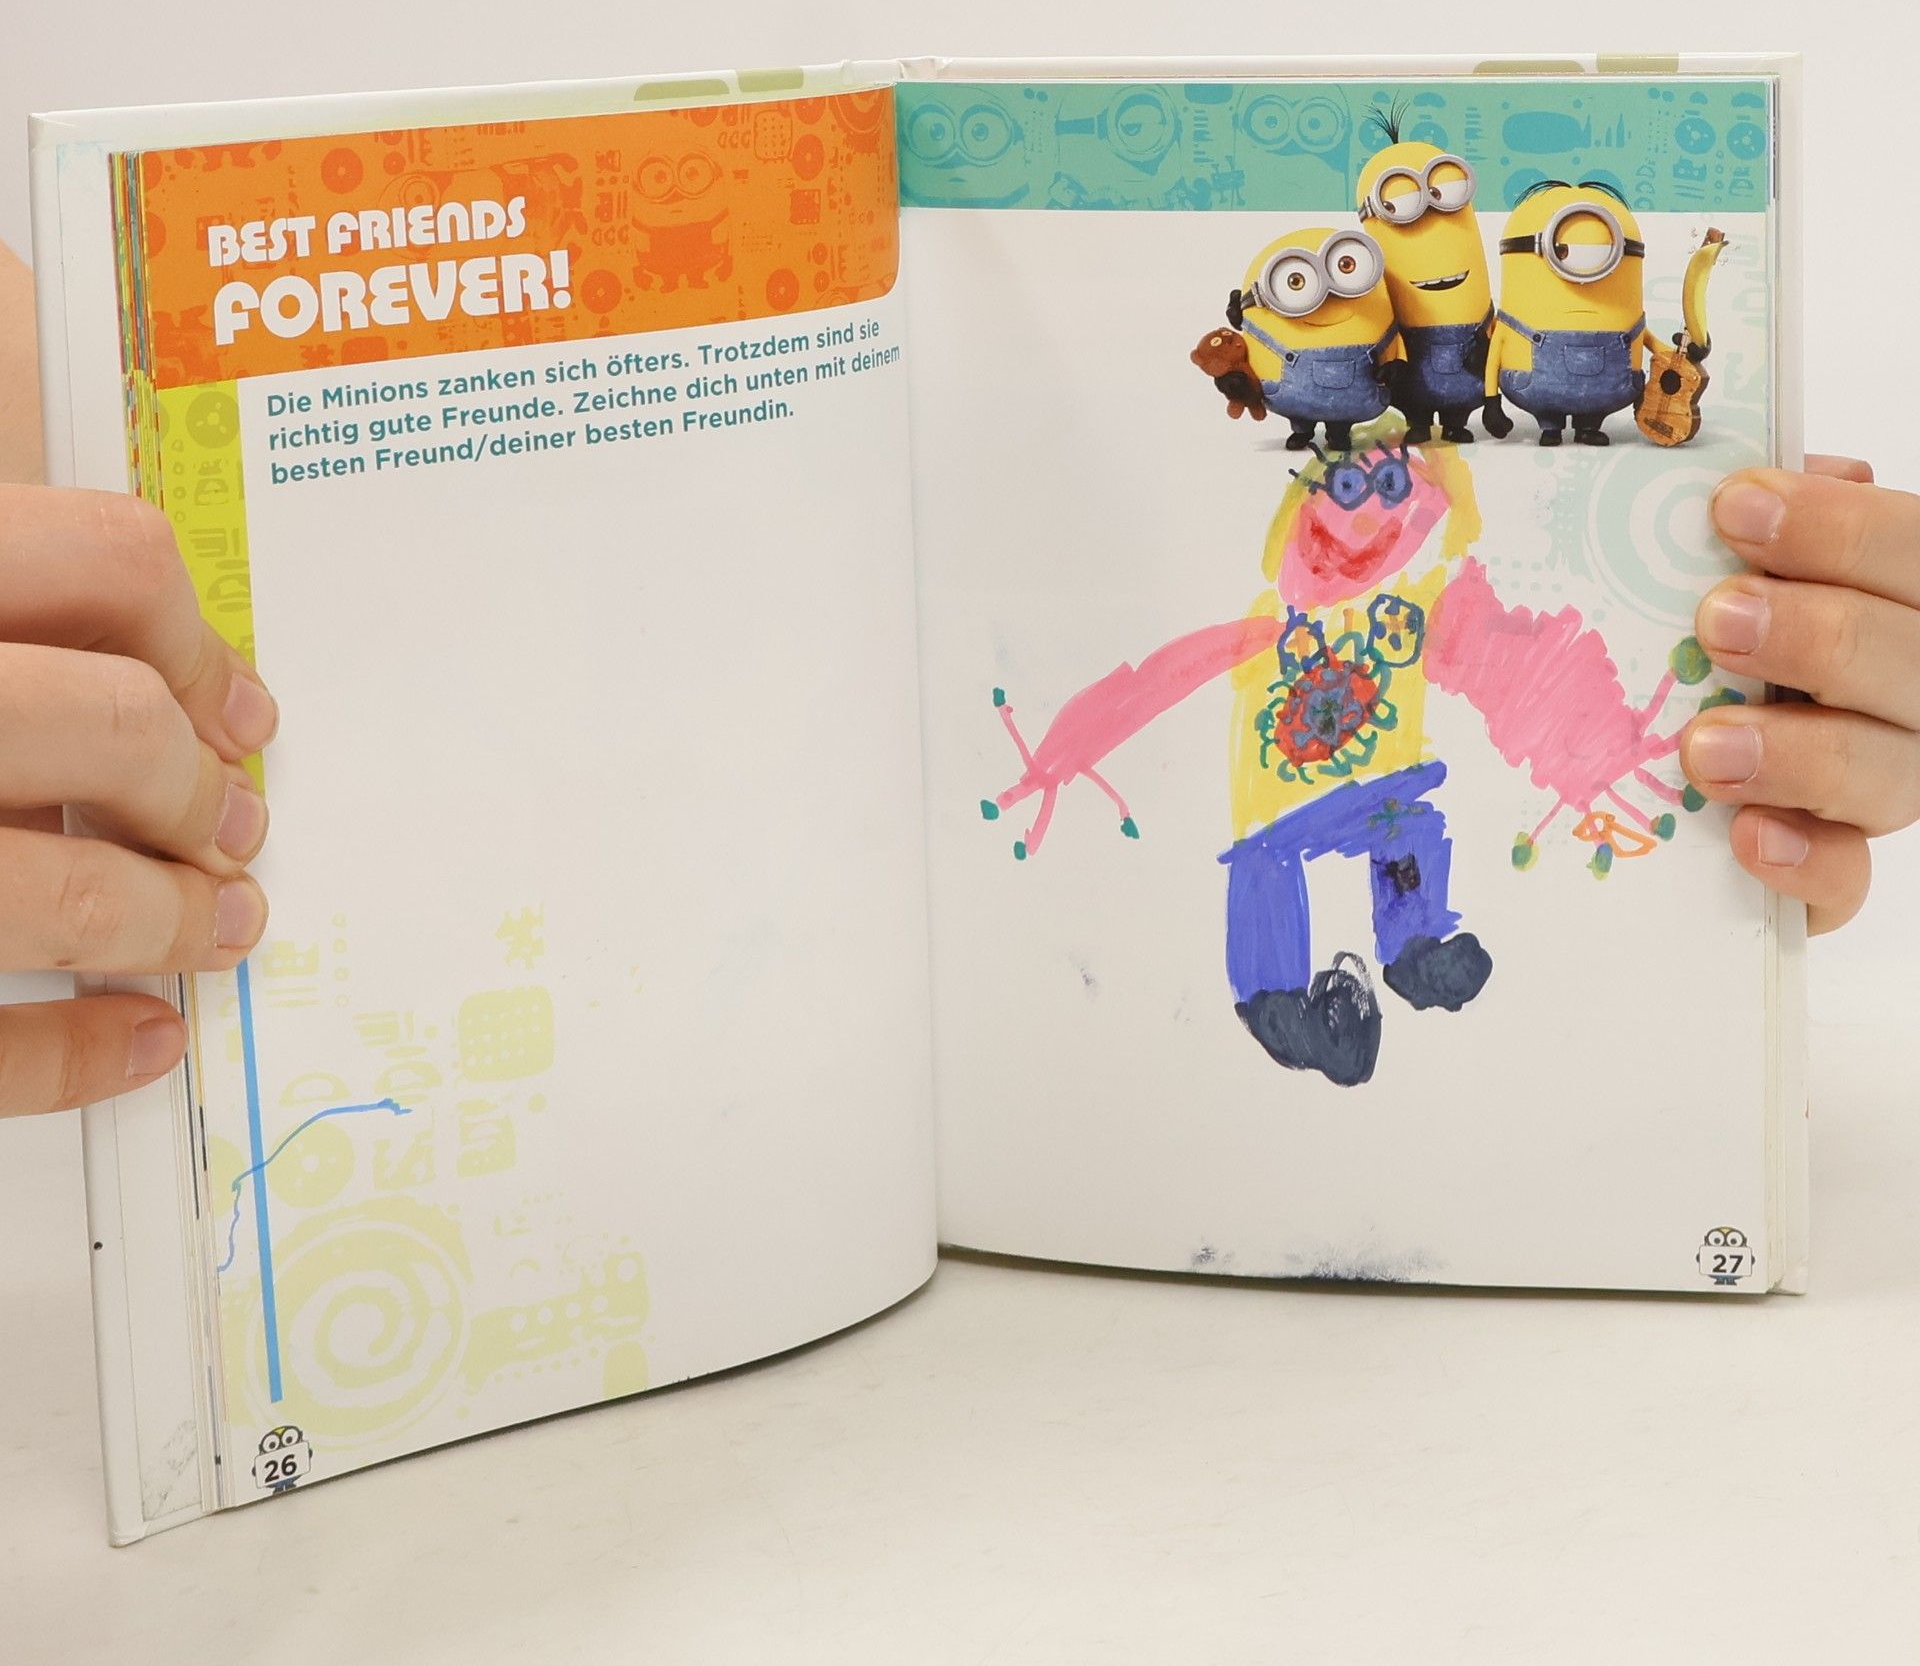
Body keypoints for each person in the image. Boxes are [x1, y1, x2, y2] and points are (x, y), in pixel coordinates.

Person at [0, 237, 1915, 1116]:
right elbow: (1161, 673)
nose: (1358, 508)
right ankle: (1289, 1007)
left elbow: (1512, 663)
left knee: (1406, 839)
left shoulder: (1423, 598)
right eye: (1341, 489)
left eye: (1385, 490)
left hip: (1389, 781)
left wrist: (1656, 700)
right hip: (1273, 804)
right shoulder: (1273, 618)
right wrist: (1063, 751)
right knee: (1279, 884)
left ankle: (1411, 956)